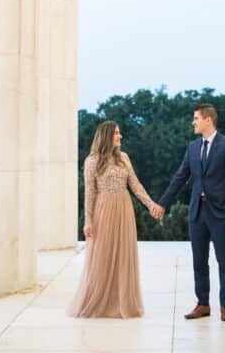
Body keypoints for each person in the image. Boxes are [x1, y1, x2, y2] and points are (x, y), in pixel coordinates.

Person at [155, 103, 225, 322]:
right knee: (199, 261)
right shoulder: (193, 148)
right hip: (197, 213)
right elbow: (180, 177)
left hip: (220, 212)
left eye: (196, 118)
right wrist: (163, 203)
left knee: (224, 261)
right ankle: (203, 304)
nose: (193, 122)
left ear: (208, 120)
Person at [69, 120, 163, 318]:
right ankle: (99, 303)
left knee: (123, 255)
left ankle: (121, 303)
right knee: (102, 256)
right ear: (106, 137)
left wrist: (151, 204)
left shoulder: (124, 158)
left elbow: (135, 185)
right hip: (103, 210)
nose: (120, 136)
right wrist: (88, 221)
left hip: (124, 208)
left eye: (119, 133)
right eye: (116, 134)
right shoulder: (92, 161)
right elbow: (89, 193)